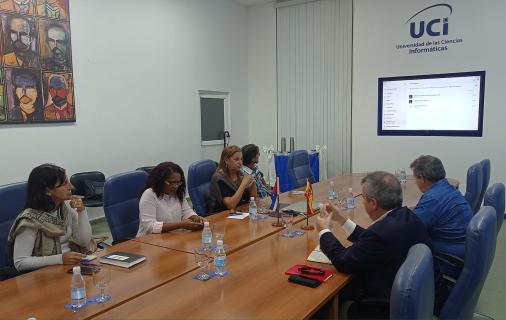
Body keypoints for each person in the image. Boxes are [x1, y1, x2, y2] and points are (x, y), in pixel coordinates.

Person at [316, 171, 433, 319]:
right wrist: (341, 220)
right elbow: (372, 242)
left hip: (382, 309)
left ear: (373, 203)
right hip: (420, 300)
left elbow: (343, 261)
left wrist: (324, 231)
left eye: (364, 199)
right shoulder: (406, 216)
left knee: (324, 308)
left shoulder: (380, 235)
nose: (363, 202)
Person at [7, 164, 92, 272]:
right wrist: (60, 259)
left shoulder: (65, 207)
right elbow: (20, 262)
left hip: (68, 267)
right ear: (47, 191)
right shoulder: (30, 220)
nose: (71, 187)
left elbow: (83, 242)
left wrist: (82, 211)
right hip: (44, 273)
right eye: (64, 184)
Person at [410, 155, 473, 278]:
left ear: (422, 178)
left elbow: (412, 229)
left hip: (450, 256)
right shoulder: (447, 187)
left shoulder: (432, 198)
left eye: (415, 178)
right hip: (465, 246)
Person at [137, 162, 205, 237]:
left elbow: (186, 212)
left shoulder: (177, 193)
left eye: (178, 182)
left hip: (173, 237)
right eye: (171, 183)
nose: (175, 186)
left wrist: (196, 218)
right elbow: (149, 226)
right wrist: (180, 225)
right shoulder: (149, 194)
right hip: (150, 241)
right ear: (160, 181)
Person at [208, 145, 257, 213]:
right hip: (221, 216)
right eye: (236, 159)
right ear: (226, 160)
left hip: (239, 213)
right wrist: (243, 184)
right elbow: (230, 205)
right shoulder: (219, 178)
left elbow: (254, 200)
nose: (240, 162)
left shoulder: (239, 174)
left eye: (241, 159)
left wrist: (252, 184)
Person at [241, 144, 271, 209]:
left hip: (267, 198)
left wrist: (270, 192)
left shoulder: (254, 167)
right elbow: (253, 197)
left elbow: (263, 182)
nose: (259, 154)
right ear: (252, 158)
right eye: (258, 153)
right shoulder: (244, 174)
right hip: (258, 203)